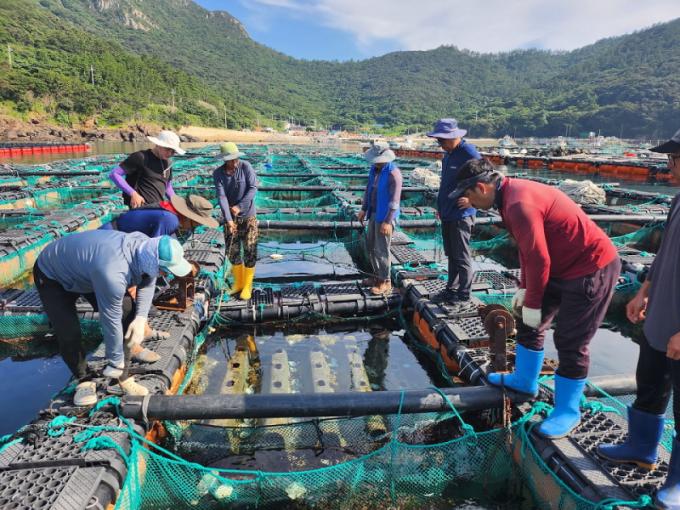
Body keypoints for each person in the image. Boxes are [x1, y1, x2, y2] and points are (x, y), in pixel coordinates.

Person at [449, 159, 620, 438]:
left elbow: (539, 258)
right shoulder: (506, 198)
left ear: (481, 187)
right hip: (558, 266)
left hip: (591, 267)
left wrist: (533, 301)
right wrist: (524, 289)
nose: (468, 202)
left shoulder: (519, 204)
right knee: (527, 322)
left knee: (570, 340)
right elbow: (527, 250)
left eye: (468, 195)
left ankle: (567, 410)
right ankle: (525, 380)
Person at [596, 129, 680, 508]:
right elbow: (664, 256)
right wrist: (644, 291)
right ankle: (641, 448)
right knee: (649, 384)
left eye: (674, 159)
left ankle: (677, 482)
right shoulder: (677, 200)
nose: (669, 166)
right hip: (660, 317)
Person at [34, 230, 193, 406]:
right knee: (69, 332)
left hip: (89, 269)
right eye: (164, 270)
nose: (165, 275)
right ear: (152, 262)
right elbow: (111, 321)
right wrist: (115, 361)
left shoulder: (147, 246)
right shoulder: (113, 274)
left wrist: (141, 318)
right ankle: (84, 379)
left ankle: (128, 363)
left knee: (128, 312)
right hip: (53, 275)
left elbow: (148, 280)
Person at [426, 118, 481, 301]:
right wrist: (441, 207)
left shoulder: (468, 152)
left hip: (461, 214)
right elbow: (447, 184)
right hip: (447, 212)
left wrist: (473, 201)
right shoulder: (448, 154)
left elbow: (488, 177)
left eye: (441, 140)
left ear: (452, 137)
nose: (440, 144)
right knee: (451, 254)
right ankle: (451, 289)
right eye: (438, 141)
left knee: (461, 256)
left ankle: (464, 295)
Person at [213, 142, 258, 300]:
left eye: (236, 158)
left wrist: (240, 206)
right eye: (232, 159)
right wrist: (228, 219)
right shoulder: (218, 173)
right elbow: (222, 197)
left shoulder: (246, 167)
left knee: (250, 250)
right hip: (230, 218)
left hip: (248, 216)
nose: (235, 161)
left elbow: (253, 188)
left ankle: (247, 285)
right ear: (225, 160)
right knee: (232, 251)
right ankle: (238, 283)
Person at [357, 141, 402, 295]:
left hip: (386, 216)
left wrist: (388, 222)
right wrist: (364, 209)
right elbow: (369, 189)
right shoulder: (374, 169)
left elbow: (395, 201)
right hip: (373, 213)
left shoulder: (393, 174)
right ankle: (376, 276)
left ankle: (385, 281)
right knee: (370, 246)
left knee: (382, 249)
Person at [109, 130, 185, 209]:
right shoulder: (141, 157)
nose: (169, 153)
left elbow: (167, 186)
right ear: (157, 144)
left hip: (158, 207)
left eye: (173, 151)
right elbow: (114, 174)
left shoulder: (168, 163)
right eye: (167, 149)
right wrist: (133, 194)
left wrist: (176, 203)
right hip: (140, 208)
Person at [102, 194, 219, 238]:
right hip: (110, 236)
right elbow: (153, 251)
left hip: (115, 234)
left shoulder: (170, 211)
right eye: (196, 224)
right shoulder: (170, 219)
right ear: (189, 217)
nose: (194, 227)